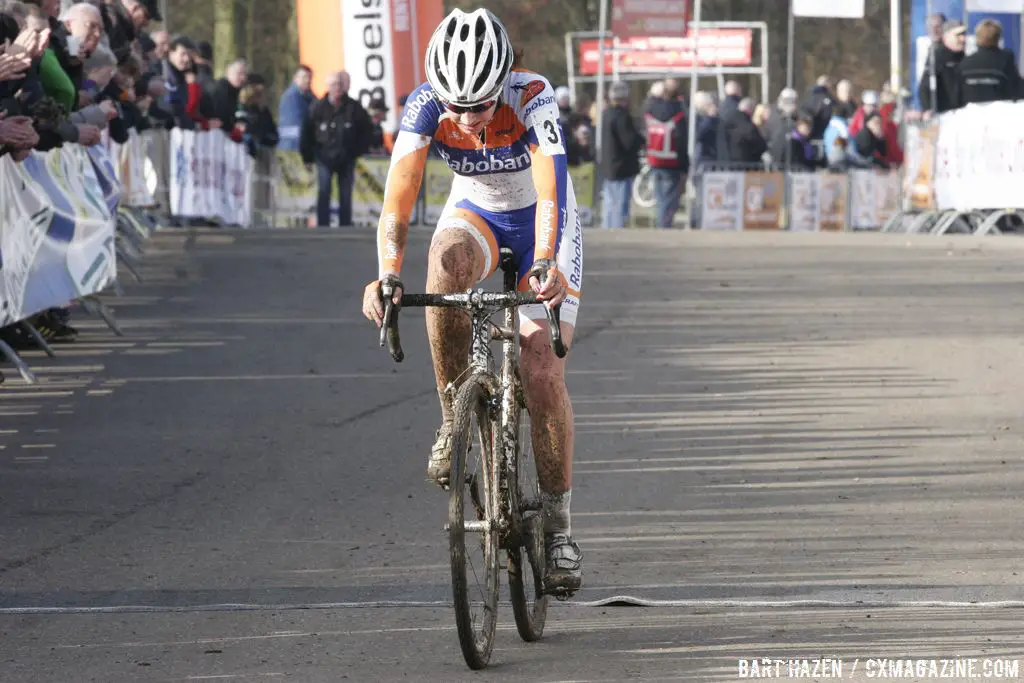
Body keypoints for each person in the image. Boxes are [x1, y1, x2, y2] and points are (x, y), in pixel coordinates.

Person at [359, 8, 584, 596]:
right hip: (477, 211)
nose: (467, 118)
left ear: (503, 78)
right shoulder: (425, 105)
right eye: (456, 108)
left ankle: (559, 527)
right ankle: (450, 418)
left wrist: (544, 262)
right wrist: (385, 274)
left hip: (541, 217)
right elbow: (400, 197)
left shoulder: (532, 95)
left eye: (479, 106)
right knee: (442, 270)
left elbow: (550, 182)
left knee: (540, 369)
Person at [299, 70, 372, 227]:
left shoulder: (354, 107)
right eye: (333, 84)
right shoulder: (317, 107)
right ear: (328, 86)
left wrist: (357, 151)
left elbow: (367, 130)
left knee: (345, 194)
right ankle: (323, 226)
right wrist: (307, 157)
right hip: (323, 157)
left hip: (346, 157)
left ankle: (345, 226)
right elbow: (306, 133)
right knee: (324, 190)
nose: (336, 88)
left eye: (339, 84)